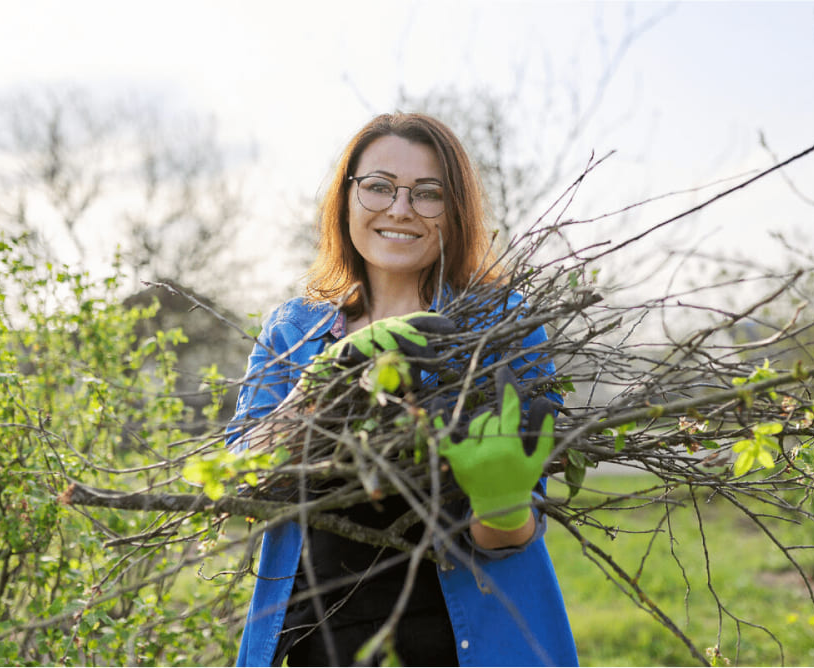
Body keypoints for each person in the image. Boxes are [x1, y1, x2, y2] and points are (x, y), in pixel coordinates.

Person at [226, 112, 578, 667]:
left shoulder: (499, 326)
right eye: (379, 187)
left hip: (455, 646)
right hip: (312, 643)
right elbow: (236, 486)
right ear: (347, 198)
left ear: (454, 209)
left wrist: (503, 505)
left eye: (428, 193)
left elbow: (511, 535)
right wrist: (320, 383)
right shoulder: (293, 331)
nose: (400, 209)